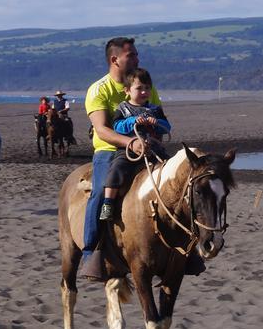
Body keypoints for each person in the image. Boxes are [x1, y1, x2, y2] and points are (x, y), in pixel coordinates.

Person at [75, 38, 205, 281]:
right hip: (111, 151)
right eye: (132, 55)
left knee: (180, 186)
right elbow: (102, 130)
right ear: (115, 60)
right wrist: (130, 142)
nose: (137, 58)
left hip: (149, 147)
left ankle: (187, 247)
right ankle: (92, 251)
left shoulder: (145, 84)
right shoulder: (99, 89)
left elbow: (159, 116)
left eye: (136, 54)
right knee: (101, 189)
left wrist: (154, 134)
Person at [98, 68, 171, 222]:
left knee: (170, 167)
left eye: (147, 88)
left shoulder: (155, 109)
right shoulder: (123, 109)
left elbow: (167, 127)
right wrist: (132, 121)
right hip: (128, 150)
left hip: (154, 148)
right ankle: (108, 203)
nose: (144, 92)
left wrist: (157, 122)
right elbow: (117, 126)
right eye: (139, 88)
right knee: (116, 169)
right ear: (127, 90)